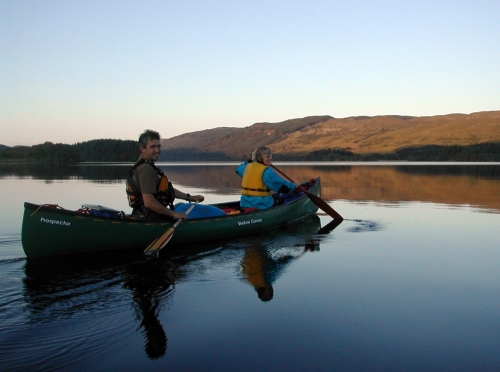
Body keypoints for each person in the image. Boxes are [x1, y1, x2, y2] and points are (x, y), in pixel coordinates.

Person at [126, 129, 204, 220]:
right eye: (153, 147)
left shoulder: (146, 166)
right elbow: (149, 202)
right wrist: (174, 214)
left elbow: (167, 190)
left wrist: (190, 198)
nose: (157, 150)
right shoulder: (146, 169)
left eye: (158, 146)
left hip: (145, 215)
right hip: (151, 218)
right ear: (142, 148)